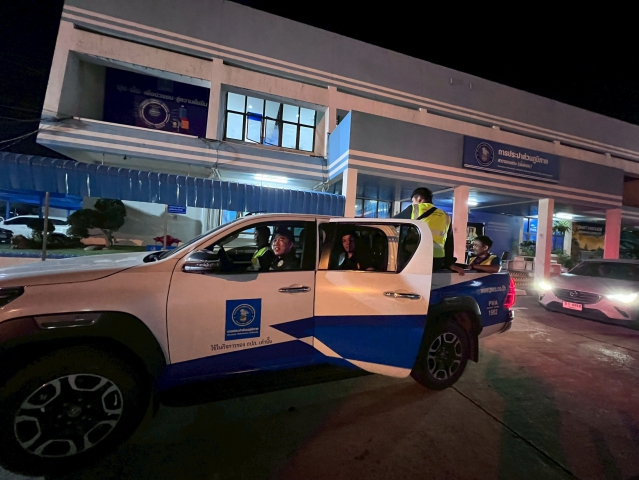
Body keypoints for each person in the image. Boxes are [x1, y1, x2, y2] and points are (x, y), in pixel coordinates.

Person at [395, 187, 464, 275]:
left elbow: (392, 223)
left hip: (415, 256)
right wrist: (449, 263)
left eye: (413, 201)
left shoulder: (415, 209)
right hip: (437, 261)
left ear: (419, 199)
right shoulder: (446, 216)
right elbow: (449, 243)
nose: (413, 203)